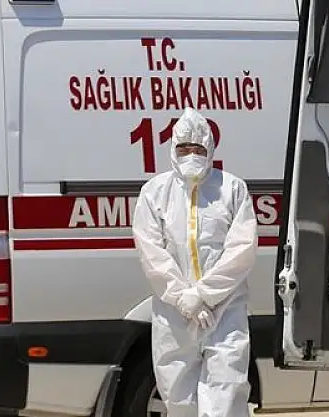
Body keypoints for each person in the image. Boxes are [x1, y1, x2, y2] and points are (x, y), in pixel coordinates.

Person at [133, 107, 258, 417]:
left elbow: (241, 249)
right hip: (174, 314)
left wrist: (204, 294)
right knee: (178, 396)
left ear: (210, 148)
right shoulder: (154, 193)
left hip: (224, 311)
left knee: (226, 393)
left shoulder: (231, 189)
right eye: (184, 148)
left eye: (198, 148)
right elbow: (151, 252)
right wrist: (182, 298)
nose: (191, 154)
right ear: (172, 149)